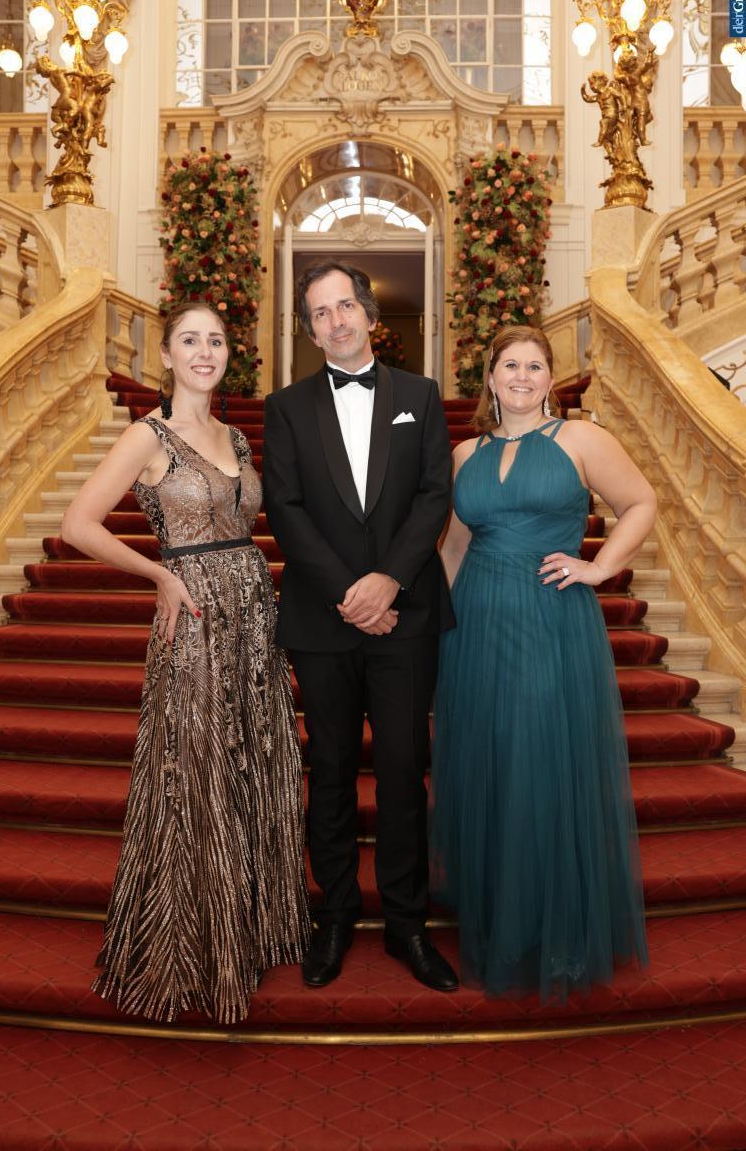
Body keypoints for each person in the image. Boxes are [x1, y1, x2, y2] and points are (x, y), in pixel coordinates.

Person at [61, 303, 309, 1024]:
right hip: (194, 612)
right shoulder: (148, 433)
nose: (205, 352)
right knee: (196, 767)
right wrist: (159, 575)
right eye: (190, 341)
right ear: (166, 355)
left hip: (254, 612)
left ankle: (251, 926)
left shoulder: (235, 435)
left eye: (216, 341)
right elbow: (78, 525)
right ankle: (194, 944)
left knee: (253, 759)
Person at [430, 325, 653, 1003]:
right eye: (510, 365)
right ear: (490, 378)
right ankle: (502, 914)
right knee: (491, 759)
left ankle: (552, 929)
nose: (521, 376)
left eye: (534, 366)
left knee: (539, 757)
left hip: (550, 617)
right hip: (475, 622)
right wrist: (438, 630)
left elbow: (641, 503)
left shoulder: (581, 440)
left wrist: (600, 567)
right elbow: (453, 548)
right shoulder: (465, 452)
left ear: (550, 379)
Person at [263, 261, 459, 992]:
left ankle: (409, 925)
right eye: (320, 312)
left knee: (405, 771)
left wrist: (388, 581)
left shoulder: (420, 395)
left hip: (406, 615)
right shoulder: (285, 408)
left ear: (370, 315)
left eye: (345, 306)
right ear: (310, 331)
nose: (335, 320)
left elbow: (434, 495)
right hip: (323, 619)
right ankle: (335, 916)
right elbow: (285, 509)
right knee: (331, 772)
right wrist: (349, 592)